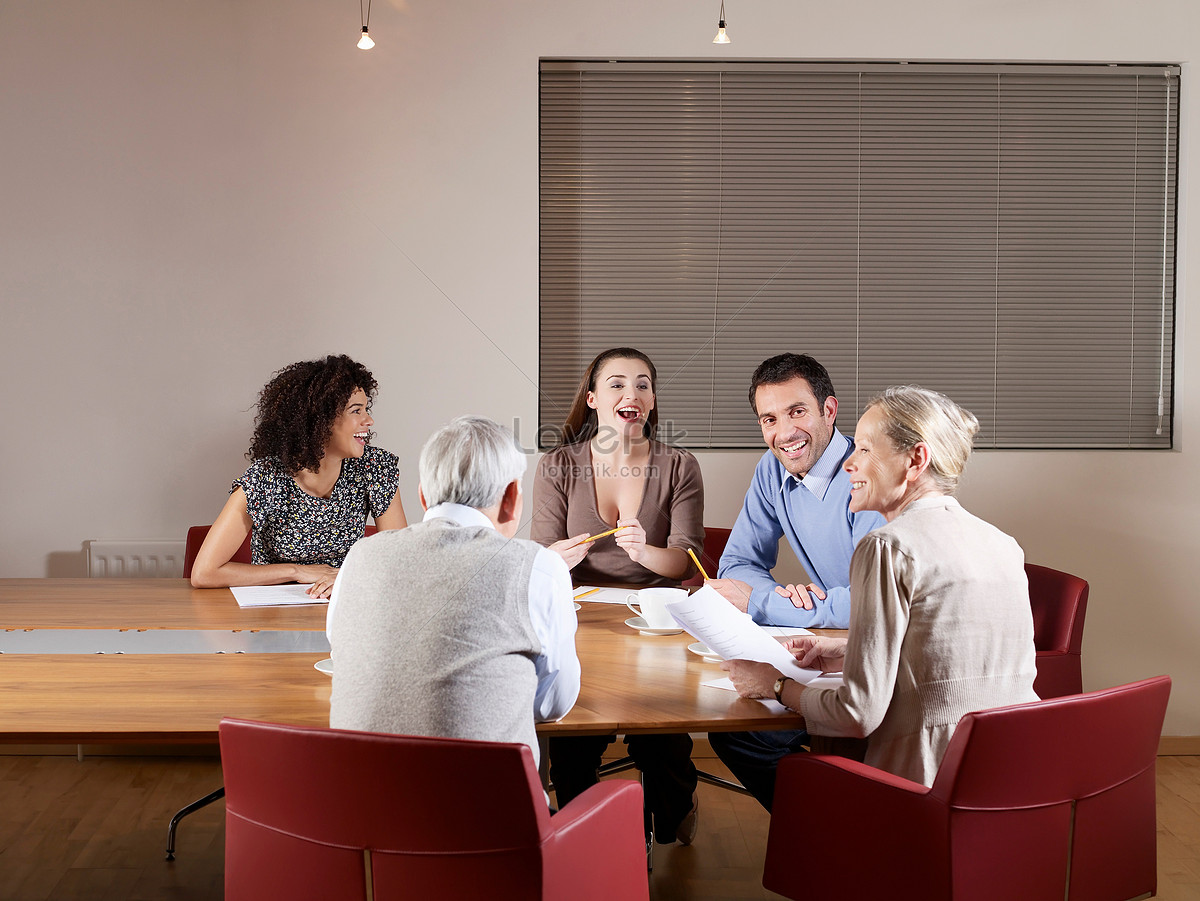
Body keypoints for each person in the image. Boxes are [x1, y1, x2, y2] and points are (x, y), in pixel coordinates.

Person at [722, 386, 1039, 805]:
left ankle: (824, 843)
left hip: (921, 788)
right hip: (1013, 778)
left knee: (760, 736)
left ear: (916, 460)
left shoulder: (887, 547)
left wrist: (773, 684)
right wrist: (843, 646)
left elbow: (856, 715)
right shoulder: (1002, 542)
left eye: (866, 450)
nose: (849, 462)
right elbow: (947, 649)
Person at [327, 416, 580, 775]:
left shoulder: (360, 556)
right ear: (511, 498)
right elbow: (555, 703)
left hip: (357, 820)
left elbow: (345, 654)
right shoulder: (539, 566)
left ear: (423, 496)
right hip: (489, 823)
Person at [532, 347, 703, 845]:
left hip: (659, 623)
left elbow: (688, 563)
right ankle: (589, 843)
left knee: (664, 745)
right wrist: (553, 559)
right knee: (571, 749)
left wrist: (646, 553)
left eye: (644, 384)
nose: (633, 393)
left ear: (651, 402)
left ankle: (670, 817)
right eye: (617, 384)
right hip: (581, 623)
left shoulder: (680, 465)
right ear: (592, 399)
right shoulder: (558, 465)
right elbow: (539, 555)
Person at [190, 354, 407, 598]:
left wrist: (351, 577)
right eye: (356, 411)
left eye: (366, 409)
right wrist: (297, 571)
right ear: (320, 420)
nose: (369, 420)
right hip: (273, 614)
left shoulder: (375, 468)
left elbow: (400, 565)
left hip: (343, 609)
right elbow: (204, 573)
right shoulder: (266, 478)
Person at [708, 353, 884, 628]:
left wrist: (766, 605)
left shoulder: (871, 476)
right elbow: (737, 565)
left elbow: (874, 602)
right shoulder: (772, 467)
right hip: (839, 637)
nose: (786, 433)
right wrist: (783, 601)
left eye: (797, 412)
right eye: (770, 420)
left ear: (828, 411)